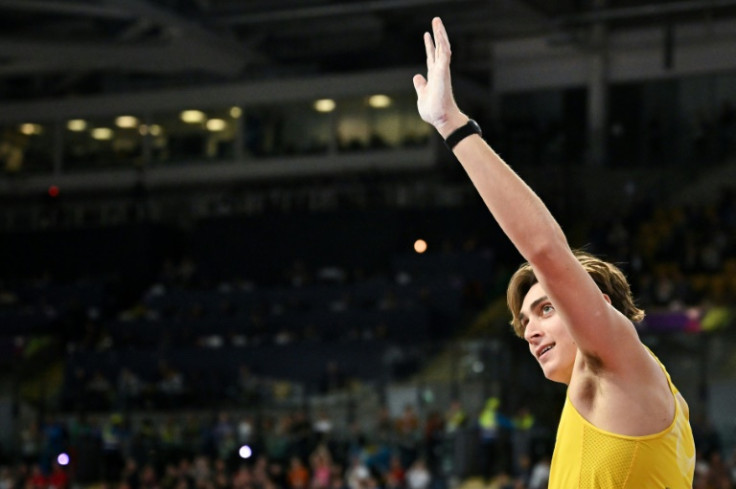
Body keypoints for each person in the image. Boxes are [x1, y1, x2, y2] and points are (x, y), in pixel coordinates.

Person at [413, 17, 696, 487]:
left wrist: (453, 126)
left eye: (545, 309)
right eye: (526, 322)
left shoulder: (621, 363)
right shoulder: (596, 403)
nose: (531, 331)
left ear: (599, 305)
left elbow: (545, 250)